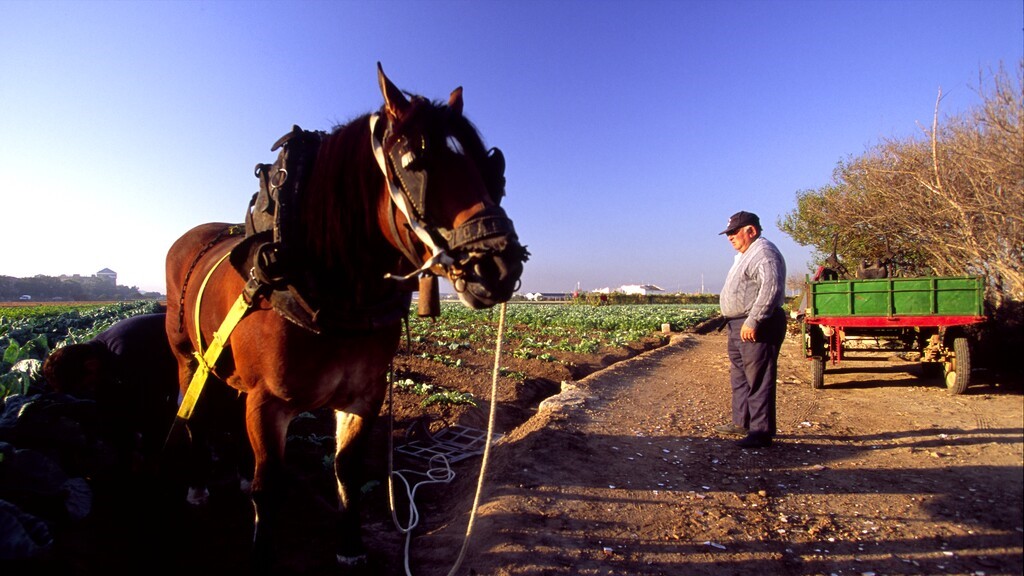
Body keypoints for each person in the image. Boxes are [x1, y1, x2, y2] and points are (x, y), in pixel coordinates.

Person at [41, 312, 180, 474]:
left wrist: (149, 455)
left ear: (90, 365)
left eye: (89, 384)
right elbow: (110, 406)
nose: (91, 389)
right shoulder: (98, 354)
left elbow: (154, 406)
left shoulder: (125, 353)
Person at [715, 211, 787, 449]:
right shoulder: (746, 254)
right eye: (728, 233)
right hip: (738, 325)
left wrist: (754, 320)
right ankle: (742, 422)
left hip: (756, 325)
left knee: (758, 378)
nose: (730, 238)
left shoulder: (763, 253)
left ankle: (760, 432)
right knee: (740, 376)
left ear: (751, 231)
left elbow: (771, 288)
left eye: (734, 232)